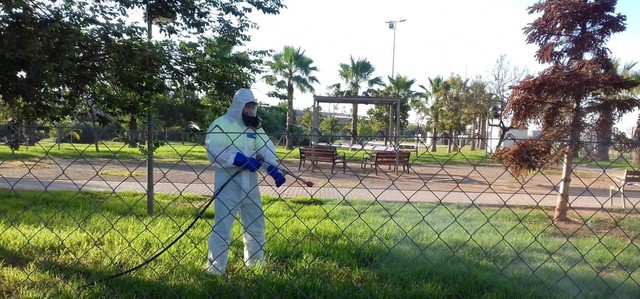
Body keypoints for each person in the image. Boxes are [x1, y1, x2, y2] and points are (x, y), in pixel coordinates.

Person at [204, 88, 286, 275]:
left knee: (256, 226)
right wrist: (238, 159)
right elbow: (214, 151)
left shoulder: (255, 128)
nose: (250, 110)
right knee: (223, 227)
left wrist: (272, 168)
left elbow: (265, 149)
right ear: (238, 106)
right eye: (247, 106)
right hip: (228, 186)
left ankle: (256, 264)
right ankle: (215, 270)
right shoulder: (221, 124)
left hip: (251, 186)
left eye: (252, 106)